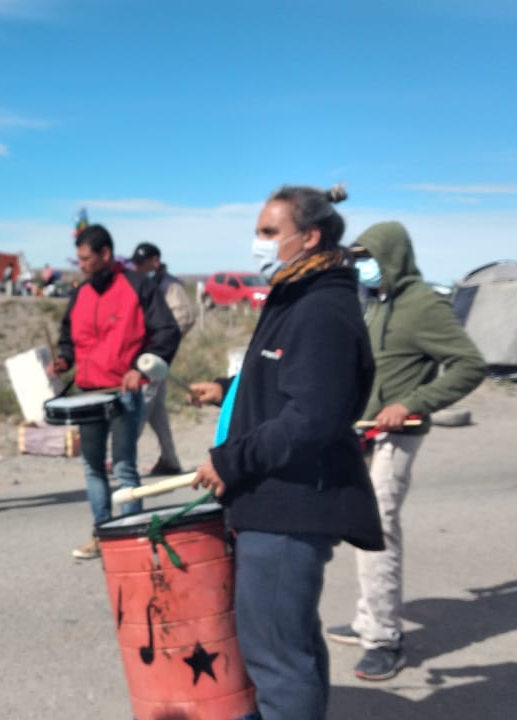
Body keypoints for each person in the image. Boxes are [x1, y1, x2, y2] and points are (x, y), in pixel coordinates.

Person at [188, 184, 381, 720]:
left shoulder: (322, 308)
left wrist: (230, 461)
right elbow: (283, 382)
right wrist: (227, 389)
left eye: (270, 232)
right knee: (290, 641)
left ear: (310, 237)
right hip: (275, 499)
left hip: (290, 505)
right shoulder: (296, 295)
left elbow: (311, 418)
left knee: (276, 654)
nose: (260, 243)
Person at [325, 222, 485, 680]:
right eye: (357, 259)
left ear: (392, 257)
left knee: (379, 528)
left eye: (368, 258)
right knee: (361, 525)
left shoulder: (423, 304)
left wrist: (412, 403)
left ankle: (384, 640)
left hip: (398, 433)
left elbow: (470, 365)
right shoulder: (376, 302)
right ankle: (367, 620)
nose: (361, 267)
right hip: (364, 431)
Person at [47, 224, 180, 560]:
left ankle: (133, 540)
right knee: (92, 467)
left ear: (105, 254)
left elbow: (166, 331)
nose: (81, 265)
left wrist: (140, 368)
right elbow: (68, 336)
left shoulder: (139, 285)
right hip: (88, 394)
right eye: (78, 259)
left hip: (124, 393)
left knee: (124, 468)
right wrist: (64, 359)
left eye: (86, 259)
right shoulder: (80, 292)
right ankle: (103, 534)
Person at [130, 242, 198, 475]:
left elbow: (184, 317)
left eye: (142, 263)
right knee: (156, 409)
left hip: (154, 357)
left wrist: (162, 344)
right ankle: (170, 459)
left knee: (141, 403)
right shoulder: (148, 284)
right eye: (136, 264)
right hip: (148, 355)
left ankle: (124, 454)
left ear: (155, 261)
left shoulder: (170, 286)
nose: (138, 267)